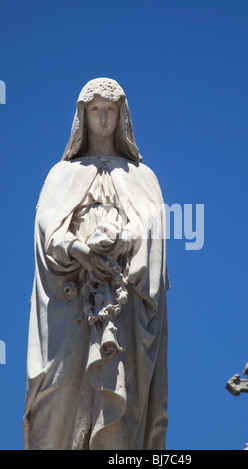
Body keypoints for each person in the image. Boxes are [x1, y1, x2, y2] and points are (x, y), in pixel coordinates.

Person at [23, 78, 169, 450]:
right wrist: (77, 249)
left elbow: (154, 224)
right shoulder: (62, 174)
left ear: (121, 116)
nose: (103, 118)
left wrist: (123, 240)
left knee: (123, 394)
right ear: (82, 116)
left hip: (122, 299)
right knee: (57, 393)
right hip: (72, 296)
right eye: (95, 109)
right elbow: (46, 228)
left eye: (110, 109)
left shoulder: (141, 176)